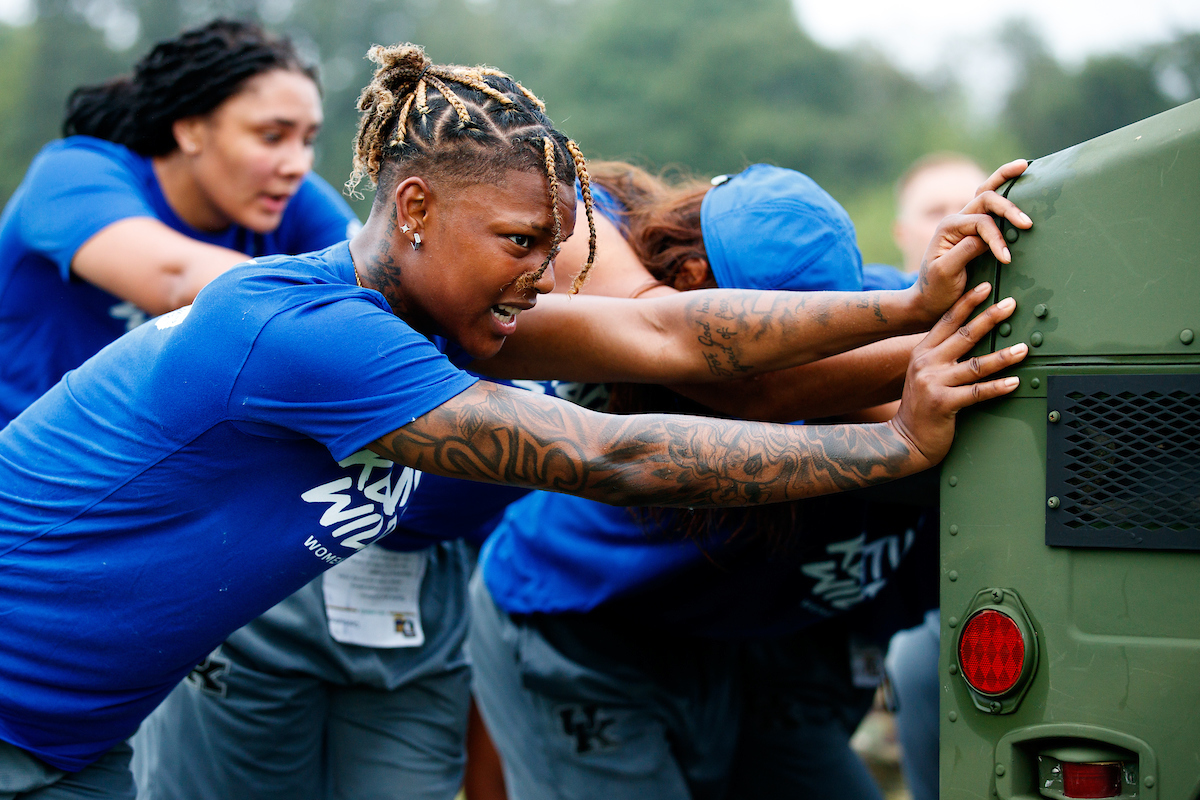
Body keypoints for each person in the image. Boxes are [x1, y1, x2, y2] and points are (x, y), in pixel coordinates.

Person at [0, 42, 1029, 800]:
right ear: (412, 209)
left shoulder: (437, 310)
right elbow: (612, 452)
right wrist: (890, 444)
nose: (543, 273)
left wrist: (909, 305)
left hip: (81, 726)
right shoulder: (307, 331)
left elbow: (665, 332)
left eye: (555, 241)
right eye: (518, 241)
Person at [464, 160, 997, 800]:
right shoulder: (620, 284)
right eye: (786, 332)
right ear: (697, 282)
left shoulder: (881, 316)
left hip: (734, 642)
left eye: (827, 325)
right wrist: (936, 356)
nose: (811, 348)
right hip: (579, 624)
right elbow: (753, 383)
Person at [0, 18, 358, 428]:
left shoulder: (288, 193)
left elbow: (379, 283)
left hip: (165, 478)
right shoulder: (71, 175)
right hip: (30, 476)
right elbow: (175, 278)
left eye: (308, 140)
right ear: (190, 130)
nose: (298, 164)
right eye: (272, 136)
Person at [882, 152, 987, 800]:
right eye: (933, 210)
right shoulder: (852, 314)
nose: (954, 224)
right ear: (900, 231)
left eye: (970, 206)